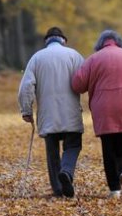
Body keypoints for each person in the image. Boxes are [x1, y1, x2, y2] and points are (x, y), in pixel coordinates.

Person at [71, 30, 122, 200]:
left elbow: (78, 85)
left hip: (104, 110)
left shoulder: (93, 59)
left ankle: (114, 189)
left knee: (109, 149)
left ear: (100, 44)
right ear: (120, 42)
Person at [18, 27, 85, 198]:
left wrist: (26, 110)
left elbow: (26, 86)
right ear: (64, 40)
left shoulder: (37, 58)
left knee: (52, 151)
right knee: (73, 145)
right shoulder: (74, 55)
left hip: (48, 114)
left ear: (46, 40)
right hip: (70, 111)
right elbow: (85, 81)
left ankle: (58, 188)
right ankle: (67, 172)